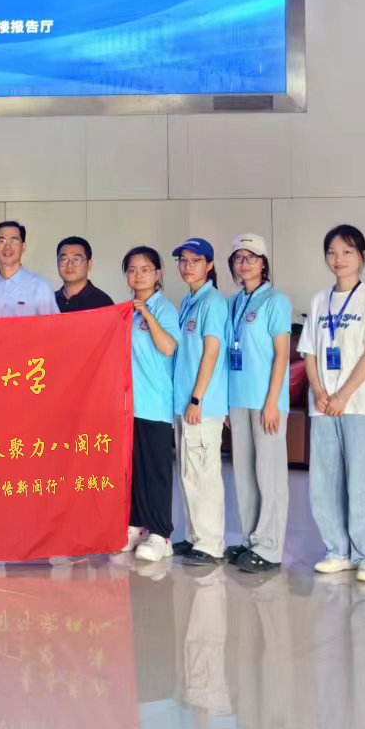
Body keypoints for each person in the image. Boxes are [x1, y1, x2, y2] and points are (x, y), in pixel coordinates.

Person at [297, 225, 365, 583]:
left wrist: (343, 394)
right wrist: (319, 390)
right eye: (332, 252)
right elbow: (309, 352)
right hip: (323, 405)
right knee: (325, 481)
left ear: (362, 257)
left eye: (347, 252)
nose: (339, 259)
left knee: (363, 480)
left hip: (360, 404)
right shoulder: (319, 300)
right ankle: (337, 550)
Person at [223, 234, 292, 574]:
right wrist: (225, 404)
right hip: (238, 399)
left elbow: (282, 354)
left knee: (269, 473)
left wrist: (273, 402)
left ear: (263, 264)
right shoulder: (234, 302)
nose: (244, 263)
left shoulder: (275, 301)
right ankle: (252, 539)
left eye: (251, 257)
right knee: (244, 474)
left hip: (266, 401)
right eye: (239, 257)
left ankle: (270, 547)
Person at [171, 239, 229, 565]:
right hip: (185, 404)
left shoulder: (212, 302)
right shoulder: (189, 300)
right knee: (189, 472)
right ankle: (194, 536)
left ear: (209, 265)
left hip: (201, 405)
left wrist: (197, 397)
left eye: (195, 260)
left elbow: (212, 351)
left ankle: (210, 543)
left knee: (204, 474)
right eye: (183, 260)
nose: (188, 266)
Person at [121, 248, 179, 562]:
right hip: (130, 405)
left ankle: (161, 534)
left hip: (156, 404)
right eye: (132, 270)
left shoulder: (164, 309)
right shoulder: (125, 312)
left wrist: (148, 315)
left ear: (158, 274)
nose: (138, 275)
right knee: (134, 471)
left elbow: (169, 347)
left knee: (156, 472)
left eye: (145, 269)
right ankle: (136, 526)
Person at [0, 221, 59, 318]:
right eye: (2, 241)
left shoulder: (40, 286)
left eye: (14, 241)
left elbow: (51, 325)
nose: (7, 247)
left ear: (23, 246)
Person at [54, 236, 116, 312]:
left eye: (76, 259)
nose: (69, 265)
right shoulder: (49, 301)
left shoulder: (103, 303)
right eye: (64, 259)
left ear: (89, 264)